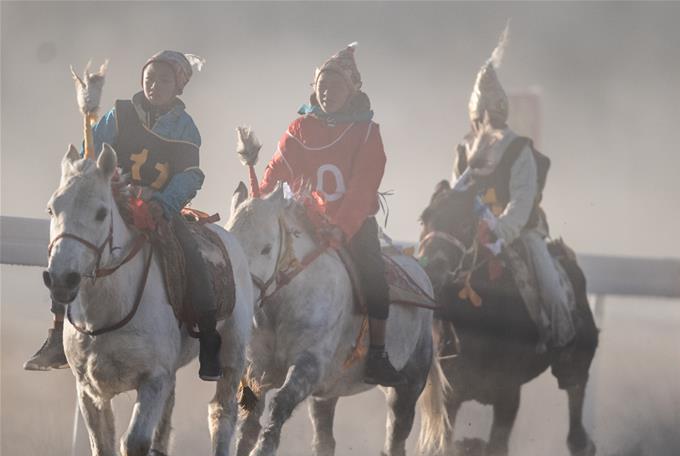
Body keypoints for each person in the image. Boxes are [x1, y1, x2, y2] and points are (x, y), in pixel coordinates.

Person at [25, 50, 223, 380]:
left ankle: (208, 340)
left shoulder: (186, 128)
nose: (154, 86)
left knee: (192, 257)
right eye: (149, 79)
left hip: (160, 207)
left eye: (163, 81)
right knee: (71, 251)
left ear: (178, 87)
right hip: (112, 201)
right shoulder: (120, 113)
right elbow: (91, 155)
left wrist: (164, 202)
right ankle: (58, 335)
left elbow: (191, 175)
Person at [257, 43, 404, 386]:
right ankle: (240, 349)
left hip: (349, 227)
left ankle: (378, 356)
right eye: (322, 85)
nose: (327, 92)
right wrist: (261, 204)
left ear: (352, 90)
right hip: (300, 221)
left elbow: (363, 187)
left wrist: (341, 227)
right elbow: (277, 172)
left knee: (374, 280)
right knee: (257, 268)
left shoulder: (367, 133)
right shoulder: (299, 128)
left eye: (336, 86)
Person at [451, 29, 575, 350]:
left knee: (552, 291)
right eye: (480, 117)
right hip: (472, 235)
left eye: (488, 116)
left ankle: (562, 346)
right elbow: (455, 197)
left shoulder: (519, 149)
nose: (484, 122)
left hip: (520, 233)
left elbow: (521, 202)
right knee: (435, 277)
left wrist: (498, 232)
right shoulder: (465, 150)